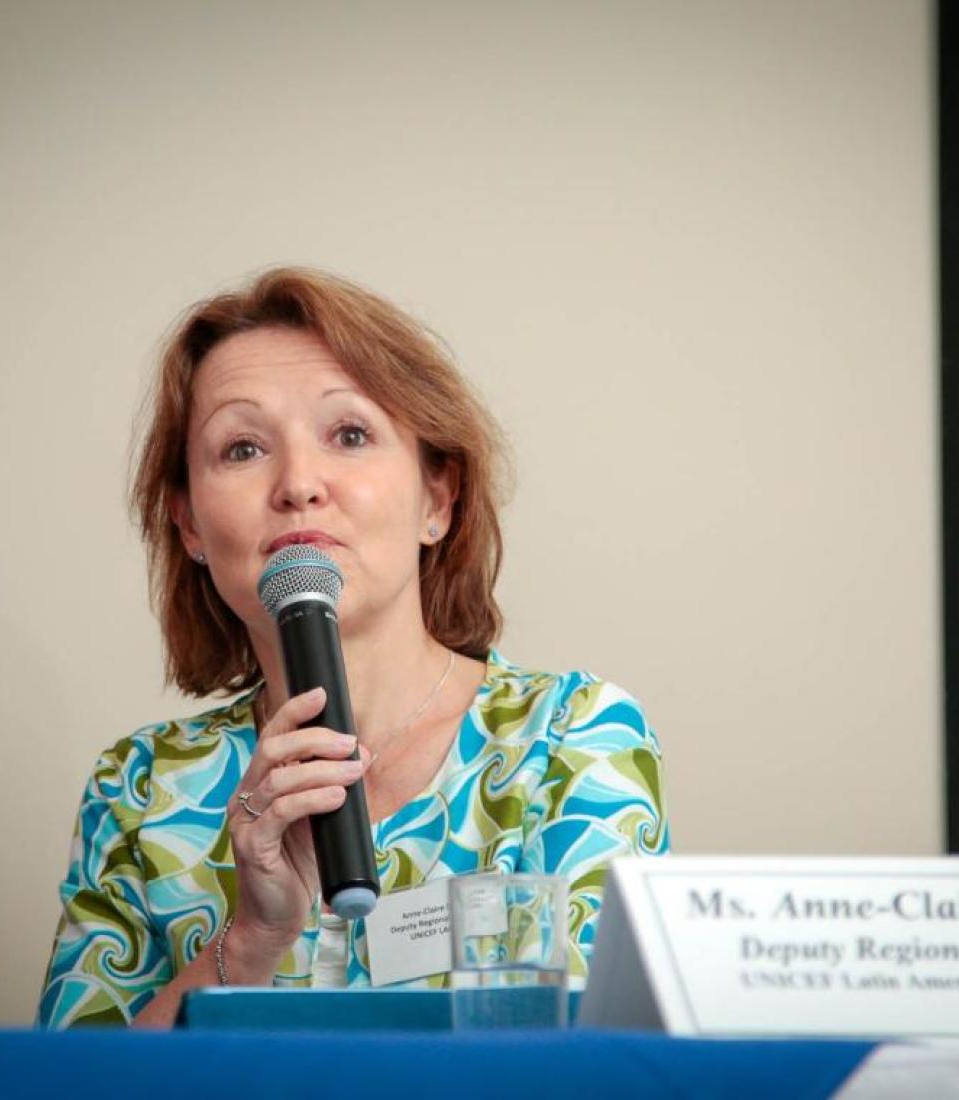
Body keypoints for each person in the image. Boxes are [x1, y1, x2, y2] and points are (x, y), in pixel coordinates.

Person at [37, 268, 669, 1028]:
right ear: (190, 526)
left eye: (350, 434)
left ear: (437, 498)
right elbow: (71, 1086)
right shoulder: (138, 791)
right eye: (241, 449)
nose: (299, 483)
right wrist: (254, 936)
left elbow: (608, 1069)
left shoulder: (572, 738)